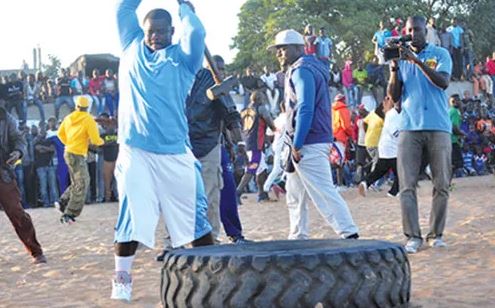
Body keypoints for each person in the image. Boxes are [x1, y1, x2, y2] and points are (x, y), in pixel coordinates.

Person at [112, 1, 213, 302]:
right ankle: (122, 283)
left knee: (196, 224)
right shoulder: (130, 47)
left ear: (172, 31)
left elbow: (197, 32)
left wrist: (185, 8)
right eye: (150, 31)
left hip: (175, 153)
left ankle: (210, 279)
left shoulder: (184, 59)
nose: (154, 36)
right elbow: (123, 9)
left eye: (161, 31)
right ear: (141, 32)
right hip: (135, 149)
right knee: (131, 215)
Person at [268, 29, 359, 240]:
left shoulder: (301, 70)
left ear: (299, 48)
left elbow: (305, 108)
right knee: (294, 193)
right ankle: (297, 235)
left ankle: (349, 233)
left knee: (323, 192)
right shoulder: (310, 68)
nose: (279, 54)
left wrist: (297, 144)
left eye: (283, 49)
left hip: (308, 141)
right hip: (305, 140)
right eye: (277, 50)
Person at [388, 16, 453, 254]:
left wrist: (416, 61)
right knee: (407, 185)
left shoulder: (441, 54)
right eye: (408, 30)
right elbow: (394, 96)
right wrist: (395, 68)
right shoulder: (400, 59)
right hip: (409, 126)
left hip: (438, 126)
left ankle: (436, 234)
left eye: (416, 29)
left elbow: (442, 82)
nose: (412, 33)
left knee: (442, 183)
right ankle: (413, 236)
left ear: (425, 31)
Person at [0, 86, 47, 264]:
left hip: (2, 172)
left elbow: (19, 140)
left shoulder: (7, 119)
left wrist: (18, 153)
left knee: (16, 212)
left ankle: (36, 251)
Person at [55, 96, 104, 223]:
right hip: (78, 154)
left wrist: (69, 143)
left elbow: (60, 133)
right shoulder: (88, 119)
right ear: (87, 108)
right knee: (83, 182)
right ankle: (69, 213)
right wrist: (101, 142)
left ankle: (63, 202)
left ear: (77, 106)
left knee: (77, 181)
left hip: (68, 152)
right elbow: (95, 140)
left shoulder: (69, 117)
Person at [237, 90, 276, 203]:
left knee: (261, 170)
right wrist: (275, 129)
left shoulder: (244, 110)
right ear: (260, 99)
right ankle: (237, 192)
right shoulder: (260, 108)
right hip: (255, 143)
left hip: (247, 142)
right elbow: (268, 120)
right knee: (251, 169)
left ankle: (262, 195)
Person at [358, 96, 401, 197]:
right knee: (400, 172)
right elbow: (395, 132)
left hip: (384, 147)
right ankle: (393, 192)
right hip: (392, 149)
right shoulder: (392, 114)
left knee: (380, 170)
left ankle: (365, 183)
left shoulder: (387, 114)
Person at [449, 95, 466, 183]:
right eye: (458, 100)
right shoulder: (454, 111)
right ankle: (447, 183)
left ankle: (447, 183)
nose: (460, 102)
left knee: (454, 162)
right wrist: (462, 134)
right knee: (454, 163)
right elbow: (453, 127)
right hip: (452, 140)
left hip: (451, 140)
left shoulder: (453, 111)